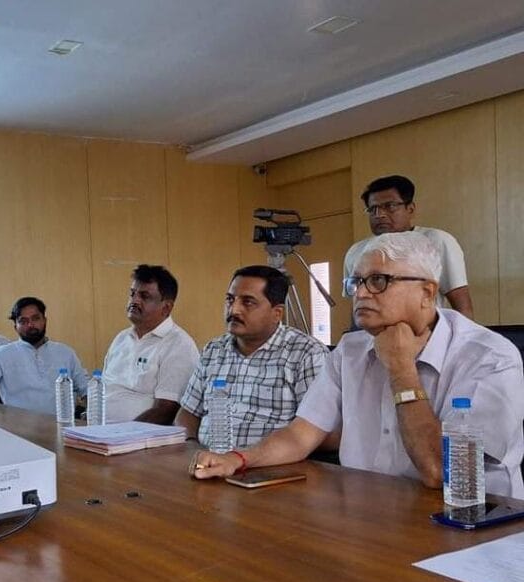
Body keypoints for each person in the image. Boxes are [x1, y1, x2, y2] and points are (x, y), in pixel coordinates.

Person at [193, 232, 524, 498]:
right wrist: (238, 459)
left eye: (378, 281)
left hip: (466, 524)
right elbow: (300, 435)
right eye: (356, 282)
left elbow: (440, 472)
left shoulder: (490, 357)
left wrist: (401, 369)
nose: (361, 293)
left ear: (427, 292)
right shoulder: (350, 349)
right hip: (369, 512)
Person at [145, 266, 328, 445]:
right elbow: (188, 413)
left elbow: (318, 429)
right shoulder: (214, 350)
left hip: (269, 462)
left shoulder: (306, 354)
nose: (234, 310)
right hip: (209, 457)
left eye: (248, 302)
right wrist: (191, 448)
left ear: (277, 313)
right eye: (230, 300)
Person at [344, 174, 474, 318]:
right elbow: (357, 306)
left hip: (425, 330)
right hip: (372, 332)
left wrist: (466, 333)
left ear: (410, 209)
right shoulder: (356, 251)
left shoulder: (436, 240)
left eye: (390, 206)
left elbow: (462, 307)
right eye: (373, 209)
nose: (379, 215)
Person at [100, 265, 198, 423]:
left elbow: (166, 411)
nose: (134, 301)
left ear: (166, 307)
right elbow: (105, 390)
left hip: (137, 435)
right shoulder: (121, 339)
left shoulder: (179, 345)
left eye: (144, 296)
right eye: (132, 294)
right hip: (98, 429)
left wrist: (124, 432)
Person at [0, 297, 88, 415]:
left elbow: (85, 386)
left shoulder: (65, 352)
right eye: (23, 321)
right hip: (18, 427)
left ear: (45, 320)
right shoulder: (3, 354)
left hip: (62, 425)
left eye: (35, 318)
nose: (30, 325)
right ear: (16, 326)